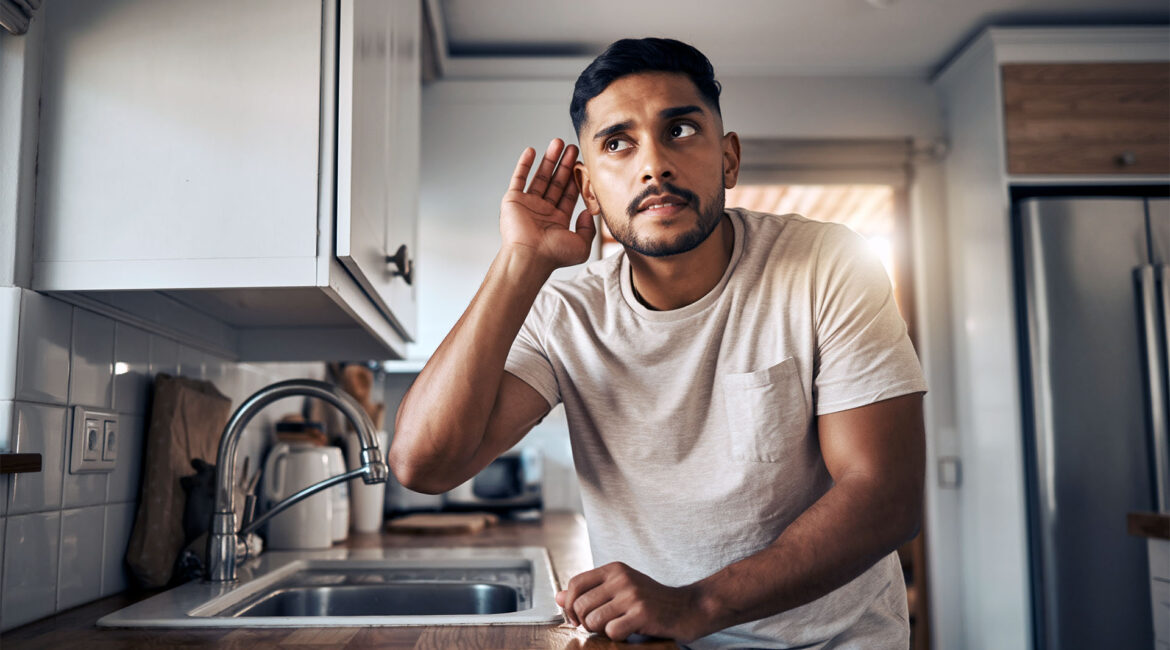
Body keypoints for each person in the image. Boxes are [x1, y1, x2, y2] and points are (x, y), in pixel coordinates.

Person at [391, 37, 927, 649]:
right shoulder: (567, 312)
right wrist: (521, 263)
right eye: (618, 143)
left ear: (728, 160)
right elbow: (423, 464)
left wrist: (697, 603)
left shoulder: (827, 263)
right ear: (589, 190)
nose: (654, 165)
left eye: (680, 130)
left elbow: (885, 495)